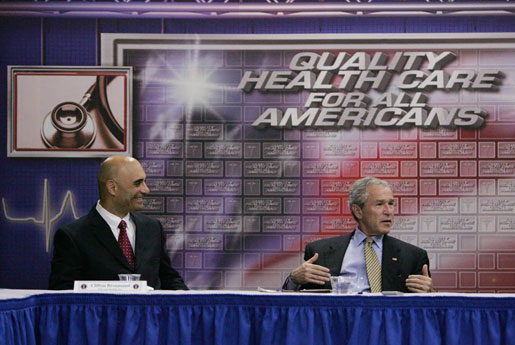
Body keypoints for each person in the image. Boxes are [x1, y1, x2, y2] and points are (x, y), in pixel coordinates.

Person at [49, 155, 188, 290]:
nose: (146, 190)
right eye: (138, 183)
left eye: (145, 182)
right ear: (112, 188)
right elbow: (62, 294)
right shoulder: (73, 236)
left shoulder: (152, 228)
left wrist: (190, 303)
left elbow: (168, 278)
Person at [283, 176, 433, 293]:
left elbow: (422, 312)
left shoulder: (413, 256)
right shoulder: (320, 252)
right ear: (358, 211)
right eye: (379, 204)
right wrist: (294, 280)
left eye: (391, 204)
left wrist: (429, 293)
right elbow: (299, 305)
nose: (389, 211)